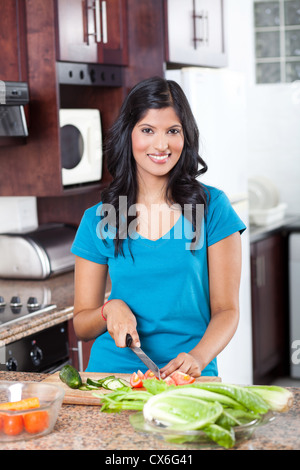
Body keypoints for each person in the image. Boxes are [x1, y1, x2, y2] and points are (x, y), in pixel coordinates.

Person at [70, 76, 246, 378]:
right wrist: (108, 310)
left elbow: (226, 310)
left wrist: (198, 358)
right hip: (113, 377)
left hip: (187, 374)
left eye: (173, 131)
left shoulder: (212, 208)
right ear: (129, 135)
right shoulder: (99, 218)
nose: (161, 144)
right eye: (148, 130)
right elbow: (82, 326)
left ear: (185, 136)